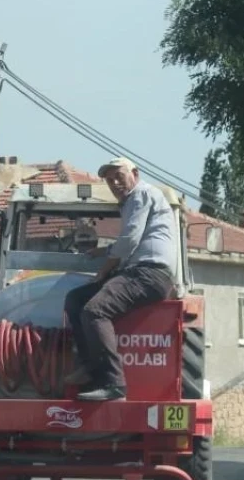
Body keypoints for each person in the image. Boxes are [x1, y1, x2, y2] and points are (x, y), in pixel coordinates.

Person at [64, 157, 178, 401]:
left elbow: (129, 241)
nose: (115, 183)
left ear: (134, 173)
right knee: (75, 299)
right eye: (109, 180)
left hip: (148, 273)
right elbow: (132, 241)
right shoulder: (131, 203)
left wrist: (104, 270)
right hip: (140, 271)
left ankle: (114, 384)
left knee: (95, 311)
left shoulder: (141, 194)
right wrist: (103, 251)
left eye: (119, 176)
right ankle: (87, 366)